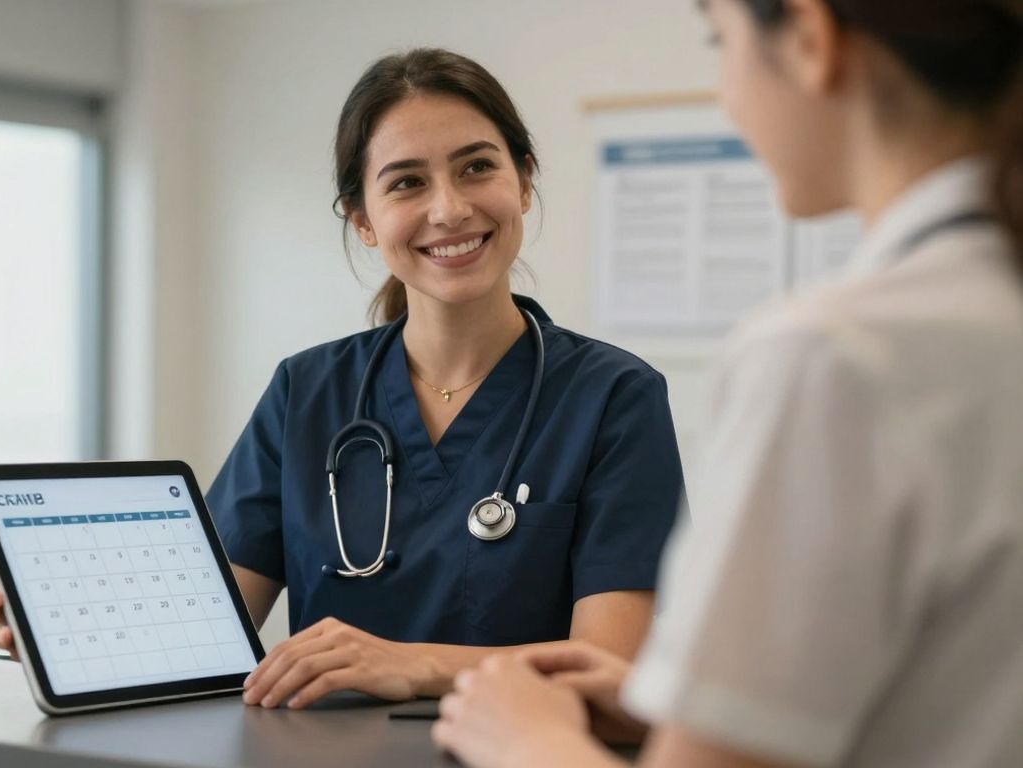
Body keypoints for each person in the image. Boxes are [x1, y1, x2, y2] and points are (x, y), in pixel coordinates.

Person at [0, 48, 685, 711]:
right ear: (364, 221)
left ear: (523, 182)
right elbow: (204, 633)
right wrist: (68, 635)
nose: (448, 208)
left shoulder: (612, 398)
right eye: (407, 182)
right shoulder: (307, 392)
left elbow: (613, 671)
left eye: (476, 168)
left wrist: (417, 665)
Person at [433, 1, 1023, 766]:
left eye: (722, 42)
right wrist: (688, 707)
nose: (728, 93)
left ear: (810, 38)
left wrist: (525, 738)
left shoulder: (833, 357)